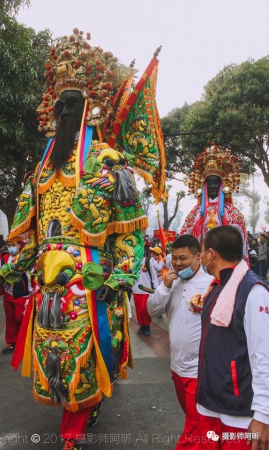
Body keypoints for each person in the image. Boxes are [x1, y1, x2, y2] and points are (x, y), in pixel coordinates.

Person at [0, 29, 165, 450]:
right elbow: (33, 233)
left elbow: (129, 232)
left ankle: (74, 427)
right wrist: (12, 265)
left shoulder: (108, 162)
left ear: (88, 108)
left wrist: (120, 277)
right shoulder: (41, 168)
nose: (65, 109)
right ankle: (75, 411)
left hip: (87, 280)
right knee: (53, 353)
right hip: (47, 281)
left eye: (73, 103)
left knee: (87, 350)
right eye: (61, 103)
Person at [197, 225, 269, 449]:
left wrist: (263, 415)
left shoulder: (254, 291)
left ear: (211, 254)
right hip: (210, 403)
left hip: (239, 413)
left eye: (202, 251)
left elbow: (263, 356)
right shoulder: (217, 286)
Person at [147, 235, 212, 449]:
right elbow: (152, 311)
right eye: (174, 258)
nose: (177, 263)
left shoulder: (210, 285)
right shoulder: (171, 283)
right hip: (177, 367)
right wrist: (165, 287)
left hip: (199, 370)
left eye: (183, 258)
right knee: (194, 420)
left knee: (194, 425)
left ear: (198, 257)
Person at [180, 144, 248, 259]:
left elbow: (241, 242)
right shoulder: (195, 213)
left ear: (222, 184)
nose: (212, 186)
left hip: (225, 262)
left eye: (215, 182)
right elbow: (184, 237)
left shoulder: (232, 212)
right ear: (204, 185)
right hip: (201, 263)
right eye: (209, 183)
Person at [0, 241, 30, 354]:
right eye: (9, 245)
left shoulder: (24, 258)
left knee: (20, 317)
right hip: (8, 293)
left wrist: (31, 291)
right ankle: (12, 342)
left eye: (14, 245)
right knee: (10, 319)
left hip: (21, 294)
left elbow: (29, 275)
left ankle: (26, 339)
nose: (11, 247)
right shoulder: (4, 258)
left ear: (19, 246)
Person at [132, 253, 158, 336]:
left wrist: (155, 287)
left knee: (144, 309)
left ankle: (147, 325)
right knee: (138, 310)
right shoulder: (130, 262)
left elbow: (154, 275)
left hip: (146, 289)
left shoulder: (147, 261)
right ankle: (141, 325)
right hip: (136, 290)